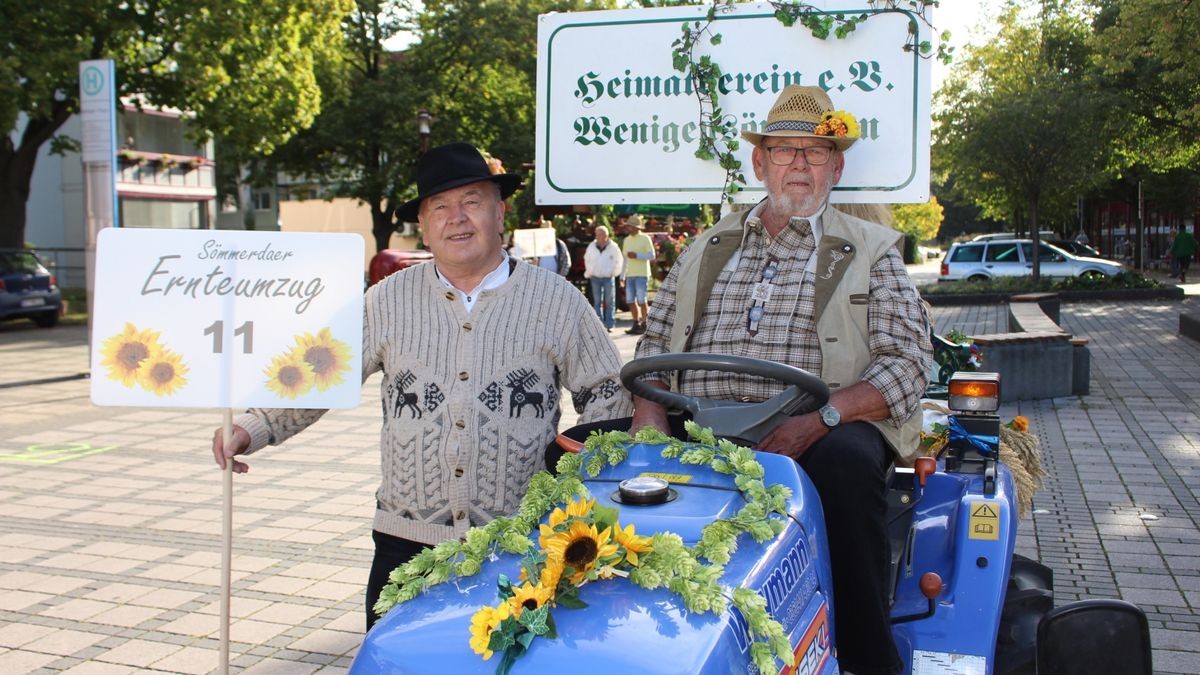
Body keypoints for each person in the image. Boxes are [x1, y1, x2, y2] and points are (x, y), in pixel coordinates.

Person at [210, 142, 631, 631]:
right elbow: (320, 372)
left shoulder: (557, 300)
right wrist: (253, 425)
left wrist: (579, 475)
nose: (457, 218)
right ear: (425, 226)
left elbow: (607, 392)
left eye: (472, 202)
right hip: (405, 541)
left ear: (499, 211)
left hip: (520, 541)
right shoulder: (385, 300)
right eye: (440, 208)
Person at [630, 85, 931, 675]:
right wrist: (648, 418)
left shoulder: (871, 249)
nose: (799, 164)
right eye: (784, 150)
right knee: (582, 457)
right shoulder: (708, 246)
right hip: (703, 420)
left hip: (819, 427)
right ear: (759, 162)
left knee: (846, 465)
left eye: (814, 152)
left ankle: (865, 658)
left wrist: (819, 420)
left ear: (836, 166)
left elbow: (908, 363)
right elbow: (654, 342)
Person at [620, 214, 657, 335]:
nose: (628, 229)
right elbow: (625, 259)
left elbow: (652, 255)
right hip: (630, 274)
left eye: (630, 226)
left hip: (642, 274)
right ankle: (636, 323)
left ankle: (645, 323)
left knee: (642, 300)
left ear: (636, 228)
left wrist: (637, 255)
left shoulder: (645, 238)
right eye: (628, 226)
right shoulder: (626, 240)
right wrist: (622, 276)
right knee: (630, 300)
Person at [583, 224, 624, 331]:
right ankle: (599, 325)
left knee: (610, 301)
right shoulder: (591, 246)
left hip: (608, 278)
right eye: (597, 234)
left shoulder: (614, 247)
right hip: (595, 277)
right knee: (597, 302)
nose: (597, 236)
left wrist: (614, 273)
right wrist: (589, 272)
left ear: (606, 235)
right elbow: (587, 259)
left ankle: (610, 324)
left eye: (600, 234)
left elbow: (619, 261)